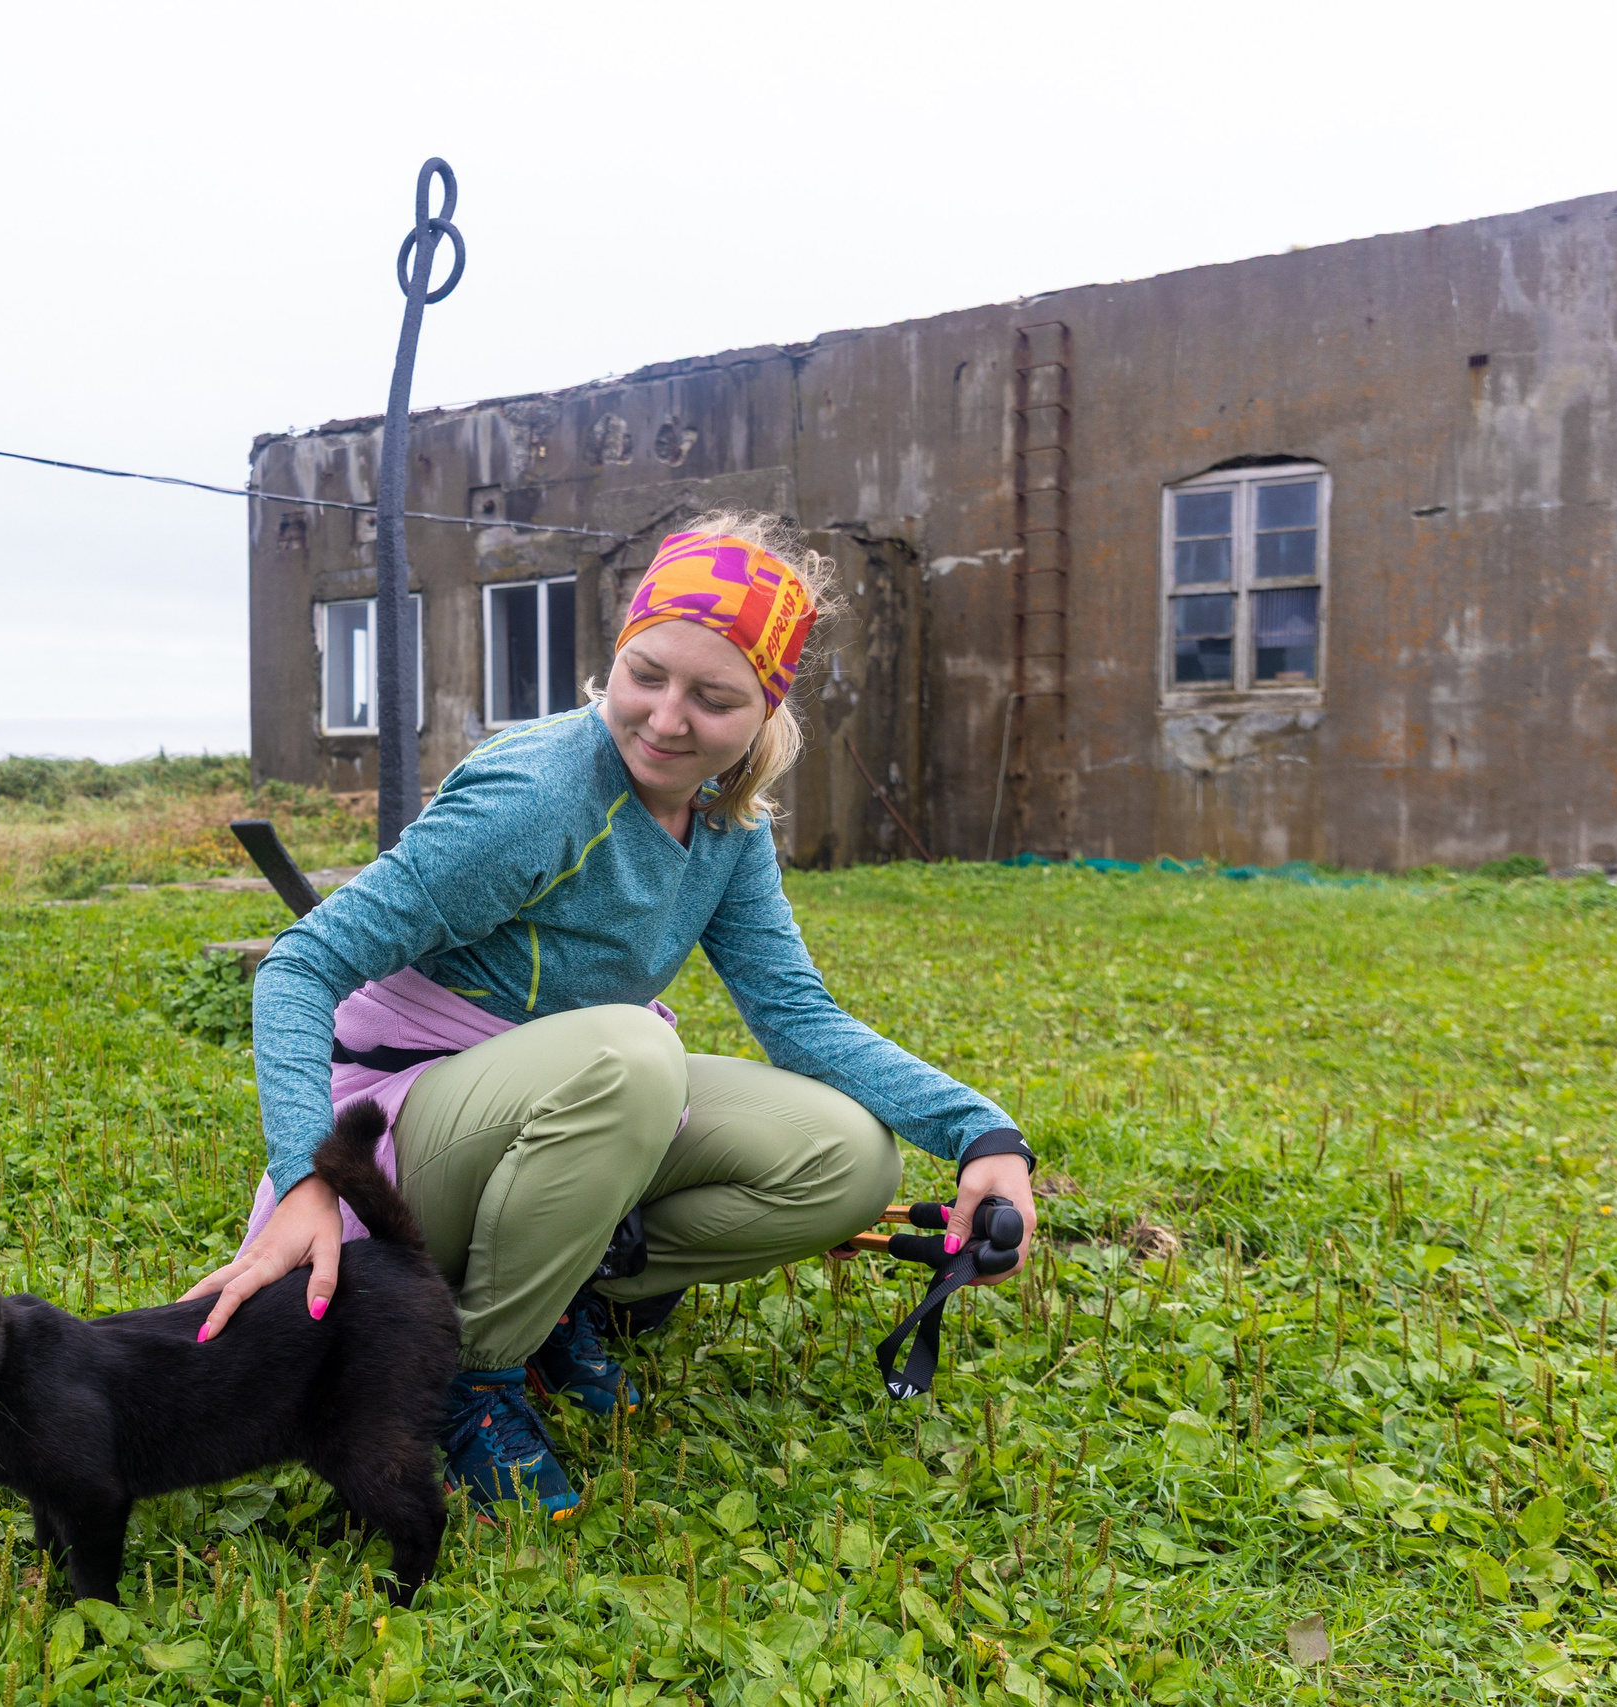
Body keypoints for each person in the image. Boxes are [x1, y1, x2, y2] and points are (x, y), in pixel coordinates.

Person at [184, 514, 1034, 1519]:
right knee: (635, 1053)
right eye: (645, 675)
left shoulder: (721, 817)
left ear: (765, 709)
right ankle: (472, 1373)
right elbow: (301, 965)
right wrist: (305, 1184)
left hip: (569, 1098)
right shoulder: (536, 799)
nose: (667, 720)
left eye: (713, 699)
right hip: (406, 1123)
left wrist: (979, 1131)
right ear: (614, 660)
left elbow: (796, 1016)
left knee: (847, 1159)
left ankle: (561, 1299)